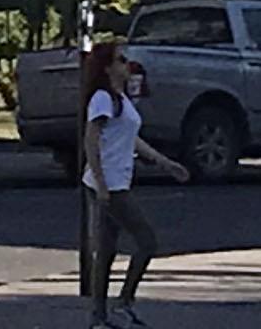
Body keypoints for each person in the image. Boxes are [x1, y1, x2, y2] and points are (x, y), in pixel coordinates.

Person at [81, 45, 181, 329]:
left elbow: (131, 139)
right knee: (147, 241)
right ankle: (123, 303)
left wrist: (164, 162)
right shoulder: (102, 99)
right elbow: (91, 139)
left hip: (116, 181)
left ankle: (98, 316)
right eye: (120, 60)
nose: (127, 64)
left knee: (108, 249)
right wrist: (101, 182)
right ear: (107, 68)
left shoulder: (120, 99)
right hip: (109, 185)